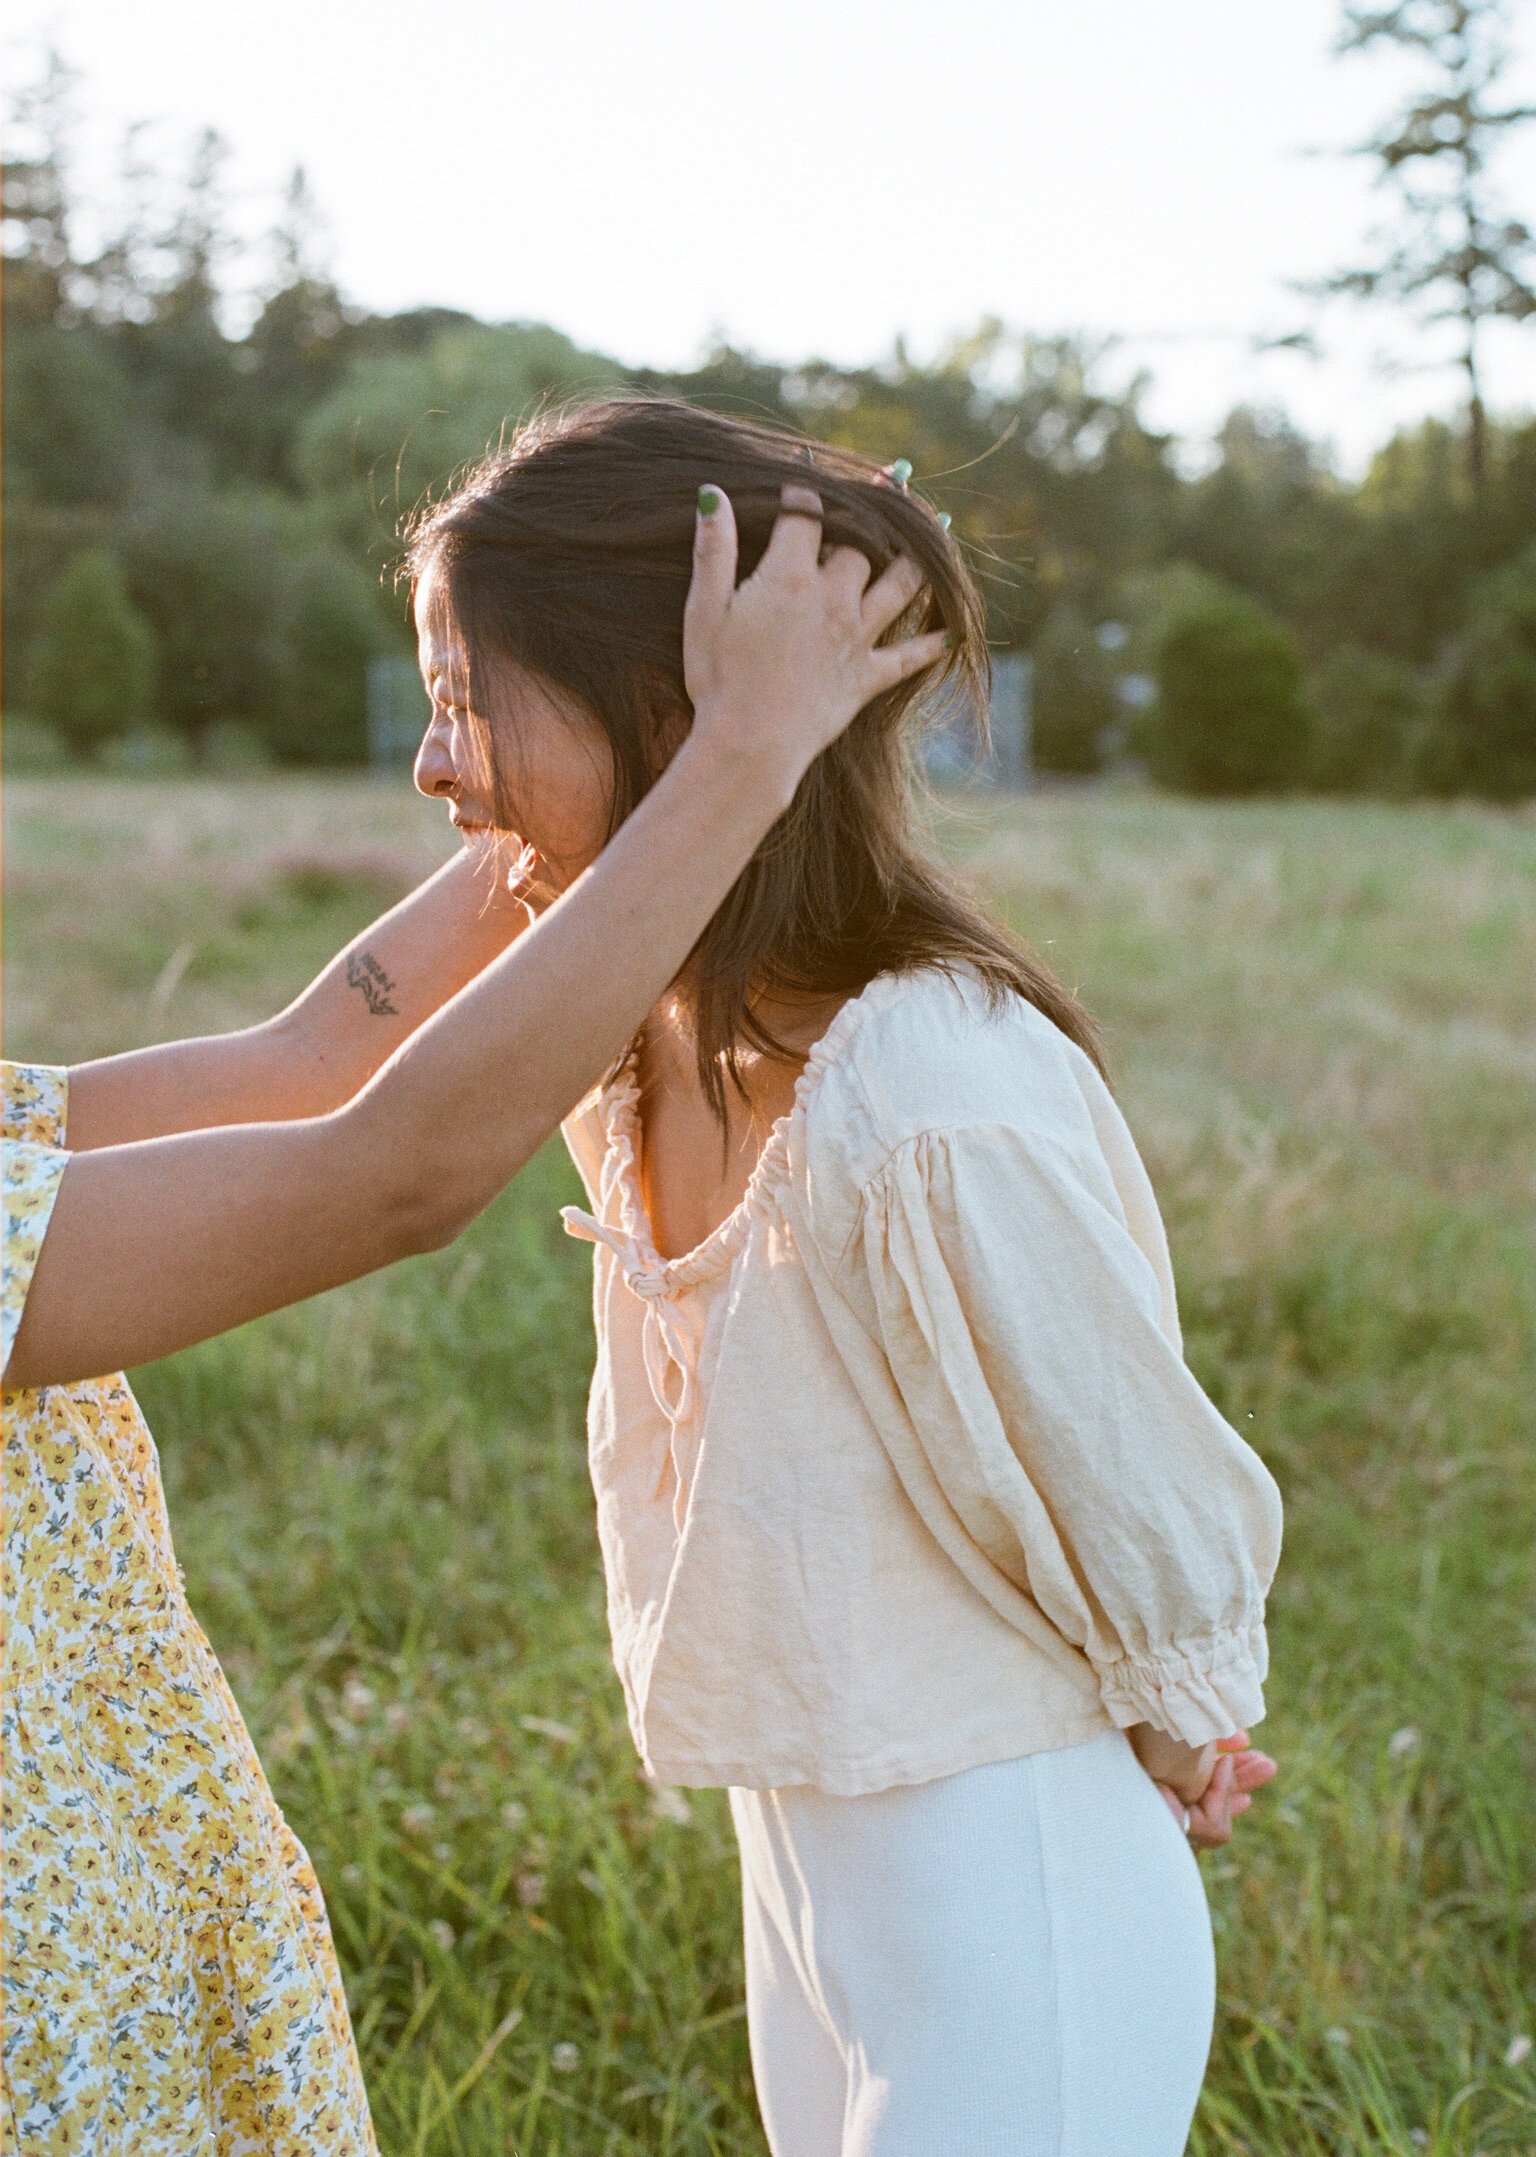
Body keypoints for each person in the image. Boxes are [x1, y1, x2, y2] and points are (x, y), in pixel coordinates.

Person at [0, 481, 943, 2155]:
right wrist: (731, 765)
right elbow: (388, 1170)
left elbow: (297, 1062)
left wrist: (619, 772)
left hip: (113, 1925)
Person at [405, 397, 1284, 2157]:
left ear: (673, 711)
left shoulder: (925, 1080)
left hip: (1007, 1870)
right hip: (816, 1867)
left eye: (467, 700)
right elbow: (335, 1088)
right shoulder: (650, 1048)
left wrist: (1192, 1718)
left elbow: (1114, 1457)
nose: (436, 765)